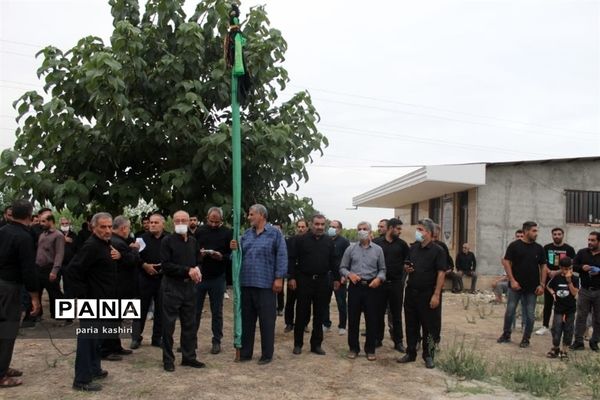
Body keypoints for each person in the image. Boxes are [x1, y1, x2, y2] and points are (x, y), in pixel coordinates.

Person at [230, 204, 287, 365]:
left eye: (251, 214)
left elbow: (282, 256)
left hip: (266, 285)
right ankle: (246, 352)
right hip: (247, 284)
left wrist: (279, 278)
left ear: (261, 215)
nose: (249, 217)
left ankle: (267, 354)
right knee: (247, 321)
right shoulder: (246, 235)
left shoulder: (275, 234)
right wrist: (233, 250)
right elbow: (236, 258)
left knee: (267, 322)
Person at [68, 212, 117, 392]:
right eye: (103, 227)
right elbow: (72, 271)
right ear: (93, 227)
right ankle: (81, 380)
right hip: (92, 302)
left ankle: (95, 369)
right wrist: (85, 296)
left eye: (110, 226)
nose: (107, 230)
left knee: (98, 338)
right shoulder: (91, 246)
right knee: (88, 339)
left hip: (105, 300)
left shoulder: (105, 244)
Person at [0, 199, 40, 388]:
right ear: (29, 216)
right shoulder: (24, 237)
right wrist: (34, 296)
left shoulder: (3, 231)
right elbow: (28, 270)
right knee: (7, 331)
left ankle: (3, 367)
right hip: (9, 288)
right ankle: (1, 375)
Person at [398, 218, 446, 369]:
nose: (417, 232)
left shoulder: (438, 251)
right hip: (411, 291)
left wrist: (436, 294)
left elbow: (441, 273)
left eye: (421, 230)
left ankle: (429, 355)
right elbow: (407, 264)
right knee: (411, 324)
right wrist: (407, 268)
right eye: (417, 229)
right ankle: (410, 352)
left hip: (428, 293)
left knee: (429, 327)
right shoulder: (413, 248)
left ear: (429, 233)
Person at [288, 214, 338, 355]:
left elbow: (333, 261)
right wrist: (291, 277)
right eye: (317, 224)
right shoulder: (300, 240)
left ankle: (316, 345)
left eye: (322, 224)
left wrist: (337, 279)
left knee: (319, 314)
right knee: (301, 313)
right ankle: (298, 344)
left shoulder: (329, 242)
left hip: (322, 281)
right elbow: (292, 260)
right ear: (311, 224)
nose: (320, 227)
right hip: (304, 280)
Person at [161, 210, 204, 372]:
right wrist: (188, 270)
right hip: (172, 287)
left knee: (190, 324)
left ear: (189, 222)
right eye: (177, 220)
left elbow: (199, 261)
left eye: (183, 220)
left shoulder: (193, 241)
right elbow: (166, 266)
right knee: (168, 325)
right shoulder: (167, 241)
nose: (180, 223)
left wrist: (198, 270)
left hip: (190, 288)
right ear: (173, 222)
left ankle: (189, 357)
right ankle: (168, 359)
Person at [339, 221, 386, 361]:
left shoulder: (378, 250)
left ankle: (370, 349)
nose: (362, 231)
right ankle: (353, 348)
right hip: (355, 287)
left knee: (372, 319)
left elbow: (383, 269)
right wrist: (349, 274)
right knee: (353, 319)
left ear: (370, 232)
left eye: (365, 229)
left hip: (372, 287)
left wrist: (379, 279)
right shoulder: (350, 249)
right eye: (359, 229)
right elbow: (342, 267)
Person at [497, 221, 547, 348]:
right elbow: (507, 262)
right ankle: (506, 334)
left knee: (530, 315)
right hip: (516, 286)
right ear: (525, 231)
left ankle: (526, 339)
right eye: (534, 231)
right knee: (510, 311)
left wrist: (542, 284)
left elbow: (543, 266)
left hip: (532, 288)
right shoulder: (514, 246)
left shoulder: (539, 248)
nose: (536, 233)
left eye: (537, 231)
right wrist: (512, 280)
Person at [100, 216, 139, 361]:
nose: (129, 231)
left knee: (117, 319)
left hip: (120, 287)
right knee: (112, 320)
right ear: (123, 228)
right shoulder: (119, 243)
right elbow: (132, 261)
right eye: (128, 228)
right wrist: (135, 250)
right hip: (118, 288)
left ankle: (116, 346)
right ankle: (106, 349)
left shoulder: (118, 242)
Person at [194, 207, 232, 355]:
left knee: (217, 312)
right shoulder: (200, 231)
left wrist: (221, 256)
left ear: (221, 220)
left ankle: (217, 341)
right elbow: (192, 250)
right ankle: (191, 340)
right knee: (195, 311)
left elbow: (231, 255)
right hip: (201, 276)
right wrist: (200, 255)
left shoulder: (228, 232)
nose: (214, 224)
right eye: (211, 221)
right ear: (207, 218)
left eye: (217, 222)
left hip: (218, 277)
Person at [373, 218, 409, 352]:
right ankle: (377, 339)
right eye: (398, 229)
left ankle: (398, 341)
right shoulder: (376, 243)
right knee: (378, 313)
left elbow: (408, 261)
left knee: (396, 314)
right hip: (379, 284)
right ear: (391, 228)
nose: (400, 232)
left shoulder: (402, 245)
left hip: (395, 285)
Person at [131, 213, 166, 349]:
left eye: (156, 222)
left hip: (162, 278)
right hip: (144, 278)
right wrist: (145, 265)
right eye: (151, 222)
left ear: (162, 224)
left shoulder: (168, 238)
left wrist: (162, 268)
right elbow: (135, 256)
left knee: (160, 310)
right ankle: (136, 337)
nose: (152, 224)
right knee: (140, 309)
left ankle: (157, 338)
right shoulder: (141, 238)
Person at [537, 228, 576, 336]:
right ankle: (545, 326)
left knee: (563, 303)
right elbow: (543, 263)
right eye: (555, 234)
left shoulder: (569, 249)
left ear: (563, 235)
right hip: (549, 280)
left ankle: (561, 327)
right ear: (552, 235)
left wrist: (557, 272)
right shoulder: (546, 247)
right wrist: (549, 272)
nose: (557, 236)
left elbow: (572, 265)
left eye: (559, 234)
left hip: (563, 280)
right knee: (548, 303)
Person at [571, 231, 600, 351]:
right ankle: (578, 341)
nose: (590, 242)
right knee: (581, 317)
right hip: (584, 290)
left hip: (599, 291)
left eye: (593, 240)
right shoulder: (582, 253)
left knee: (598, 319)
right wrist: (582, 268)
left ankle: (594, 342)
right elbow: (573, 266)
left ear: (599, 242)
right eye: (589, 240)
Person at [546, 257, 579, 359]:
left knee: (568, 329)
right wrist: (553, 293)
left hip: (570, 309)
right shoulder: (557, 278)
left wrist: (569, 282)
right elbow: (548, 286)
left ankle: (565, 350)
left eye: (569, 268)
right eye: (564, 269)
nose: (566, 271)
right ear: (560, 268)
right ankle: (555, 347)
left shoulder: (575, 278)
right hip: (559, 308)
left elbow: (574, 293)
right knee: (556, 328)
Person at [35, 213, 65, 320]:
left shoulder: (58, 235)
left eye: (43, 221)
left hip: (50, 268)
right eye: (40, 221)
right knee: (36, 292)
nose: (41, 224)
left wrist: (54, 271)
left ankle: (66, 316)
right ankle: (37, 315)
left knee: (55, 293)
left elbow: (59, 254)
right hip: (39, 268)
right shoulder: (42, 235)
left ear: (51, 221)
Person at [322, 219, 350, 335]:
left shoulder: (344, 242)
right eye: (331, 226)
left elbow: (348, 259)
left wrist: (344, 275)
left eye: (335, 227)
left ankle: (342, 325)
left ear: (340, 229)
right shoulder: (324, 240)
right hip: (325, 276)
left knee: (341, 302)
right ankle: (326, 323)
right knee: (324, 302)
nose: (332, 229)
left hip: (339, 276)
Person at [283, 219, 308, 332]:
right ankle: (289, 323)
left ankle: (304, 323)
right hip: (293, 273)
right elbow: (289, 259)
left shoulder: (311, 240)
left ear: (307, 228)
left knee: (305, 301)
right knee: (290, 300)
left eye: (303, 227)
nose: (301, 229)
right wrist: (290, 277)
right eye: (299, 227)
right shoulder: (290, 241)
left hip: (306, 275)